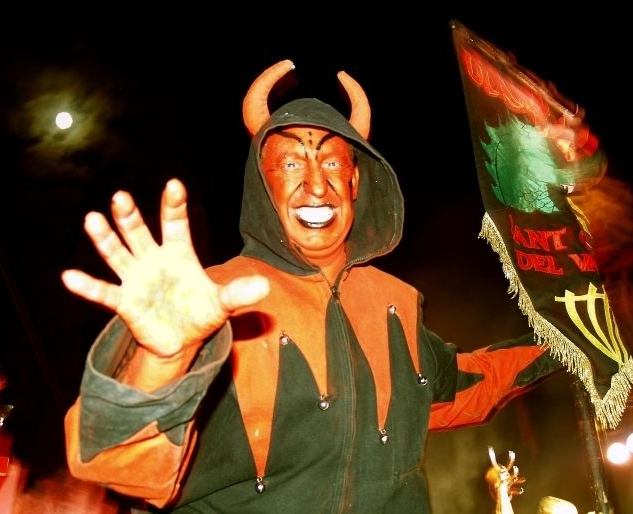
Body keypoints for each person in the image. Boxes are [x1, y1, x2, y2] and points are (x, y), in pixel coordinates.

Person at [61, 59, 562, 513]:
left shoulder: (397, 302)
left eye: (332, 163)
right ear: (263, 182)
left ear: (356, 183)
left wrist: (566, 346)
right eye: (292, 164)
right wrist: (162, 359)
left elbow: (457, 389)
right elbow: (113, 462)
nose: (316, 186)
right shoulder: (210, 298)